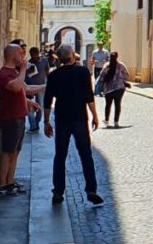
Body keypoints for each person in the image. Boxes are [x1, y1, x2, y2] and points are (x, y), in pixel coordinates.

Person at [43, 45, 103, 206]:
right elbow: (89, 97)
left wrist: (46, 122)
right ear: (73, 56)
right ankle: (91, 189)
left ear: (59, 58)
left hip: (62, 119)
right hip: (79, 119)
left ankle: (58, 191)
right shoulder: (83, 72)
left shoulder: (54, 76)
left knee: (60, 156)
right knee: (85, 155)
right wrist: (95, 116)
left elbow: (48, 100)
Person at [0, 44, 43, 196]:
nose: (23, 57)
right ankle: (2, 184)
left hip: (18, 117)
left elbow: (25, 89)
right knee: (7, 152)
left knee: (15, 152)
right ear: (12, 56)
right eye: (21, 54)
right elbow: (16, 87)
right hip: (9, 118)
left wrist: (46, 86)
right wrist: (23, 69)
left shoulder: (14, 72)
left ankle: (10, 181)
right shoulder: (4, 73)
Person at [98, 52, 129, 128]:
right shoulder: (121, 65)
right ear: (117, 56)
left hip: (108, 89)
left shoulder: (106, 65)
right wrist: (121, 80)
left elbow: (101, 76)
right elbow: (127, 74)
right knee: (117, 104)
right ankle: (116, 122)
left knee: (108, 105)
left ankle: (107, 121)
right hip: (119, 88)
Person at [25, 47, 50, 133]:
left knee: (40, 106)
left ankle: (37, 123)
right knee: (29, 107)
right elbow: (25, 75)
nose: (35, 58)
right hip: (30, 87)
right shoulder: (29, 63)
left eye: (36, 56)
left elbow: (47, 72)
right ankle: (33, 126)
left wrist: (49, 83)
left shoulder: (44, 61)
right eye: (33, 56)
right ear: (31, 55)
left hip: (41, 87)